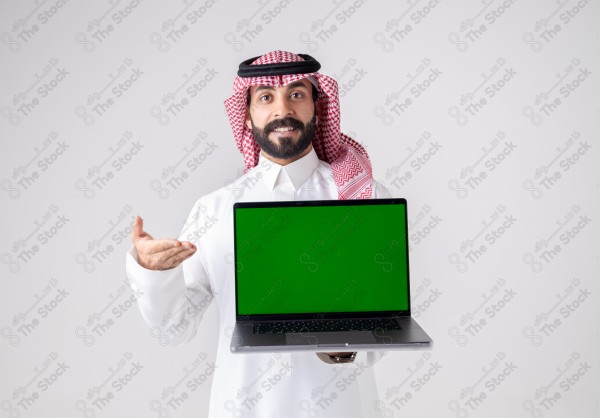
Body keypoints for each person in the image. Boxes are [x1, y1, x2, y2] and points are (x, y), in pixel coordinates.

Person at [126, 50, 391, 417]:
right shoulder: (214, 210)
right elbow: (173, 329)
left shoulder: (364, 196)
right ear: (247, 117)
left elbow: (389, 314)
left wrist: (350, 345)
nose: (283, 110)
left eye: (296, 94)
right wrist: (153, 274)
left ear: (317, 106)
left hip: (342, 406)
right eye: (266, 97)